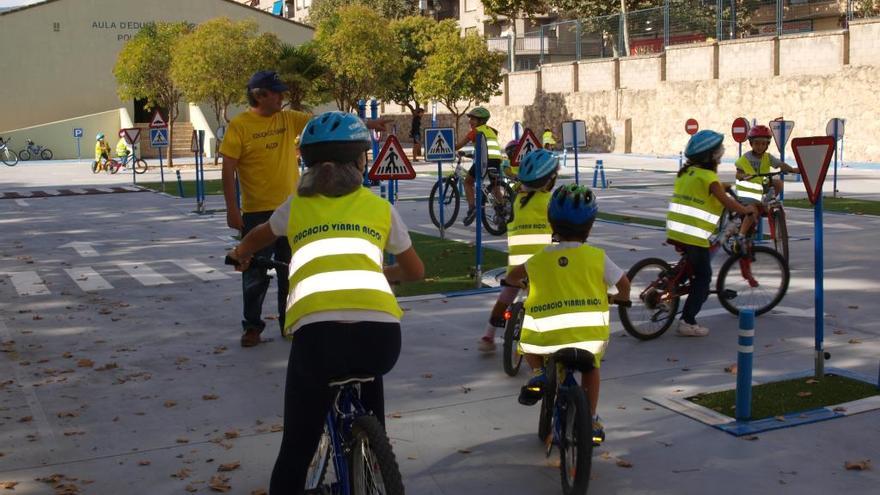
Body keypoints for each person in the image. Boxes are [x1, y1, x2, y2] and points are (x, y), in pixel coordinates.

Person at [226, 111, 424, 494]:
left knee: (296, 447)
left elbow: (256, 237)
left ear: (307, 164)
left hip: (318, 341)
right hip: (380, 338)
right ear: (361, 161)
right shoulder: (379, 208)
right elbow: (414, 270)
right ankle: (373, 449)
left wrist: (240, 254)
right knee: (368, 373)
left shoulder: (295, 207)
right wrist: (383, 274)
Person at [506, 184, 630, 444]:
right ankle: (592, 419)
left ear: (551, 224)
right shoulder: (597, 257)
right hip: (588, 338)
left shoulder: (539, 258)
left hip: (545, 338)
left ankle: (538, 372)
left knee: (528, 337)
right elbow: (624, 285)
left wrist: (523, 284)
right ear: (590, 227)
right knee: (591, 369)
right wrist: (620, 299)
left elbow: (513, 277)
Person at [220, 70, 311, 347]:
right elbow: (228, 170)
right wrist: (232, 209)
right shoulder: (240, 125)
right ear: (260, 95)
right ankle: (252, 327)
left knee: (291, 270)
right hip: (257, 213)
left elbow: (326, 123)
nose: (281, 97)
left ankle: (290, 323)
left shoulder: (288, 118)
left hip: (291, 209)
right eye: (276, 92)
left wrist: (369, 122)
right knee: (254, 272)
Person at [666, 130, 757, 336]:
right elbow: (726, 202)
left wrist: (722, 186)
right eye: (718, 151)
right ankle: (687, 321)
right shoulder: (709, 177)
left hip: (676, 229)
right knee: (703, 277)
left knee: (690, 267)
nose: (721, 153)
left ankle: (669, 287)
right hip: (695, 234)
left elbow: (702, 189)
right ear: (711, 156)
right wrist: (745, 210)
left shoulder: (687, 173)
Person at [479, 149, 558, 352]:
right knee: (551, 298)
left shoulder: (516, 201)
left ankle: (488, 335)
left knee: (506, 297)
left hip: (516, 267)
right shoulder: (550, 202)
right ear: (550, 180)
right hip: (542, 265)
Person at [734, 124, 798, 241]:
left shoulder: (768, 157)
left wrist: (793, 170)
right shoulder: (745, 158)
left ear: (767, 145)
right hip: (748, 192)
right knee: (752, 213)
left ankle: (766, 203)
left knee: (778, 183)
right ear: (751, 144)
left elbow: (780, 164)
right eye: (757, 143)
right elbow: (738, 174)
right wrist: (743, 176)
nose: (760, 146)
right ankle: (740, 237)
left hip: (762, 187)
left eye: (763, 144)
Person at [454, 106, 504, 226]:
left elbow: (459, 145)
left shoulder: (475, 132)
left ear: (481, 121)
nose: (470, 122)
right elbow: (486, 148)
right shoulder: (492, 131)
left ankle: (472, 209)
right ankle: (502, 210)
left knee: (468, 182)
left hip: (484, 162)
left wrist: (448, 149)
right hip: (496, 161)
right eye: (470, 119)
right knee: (495, 187)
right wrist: (471, 155)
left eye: (473, 119)